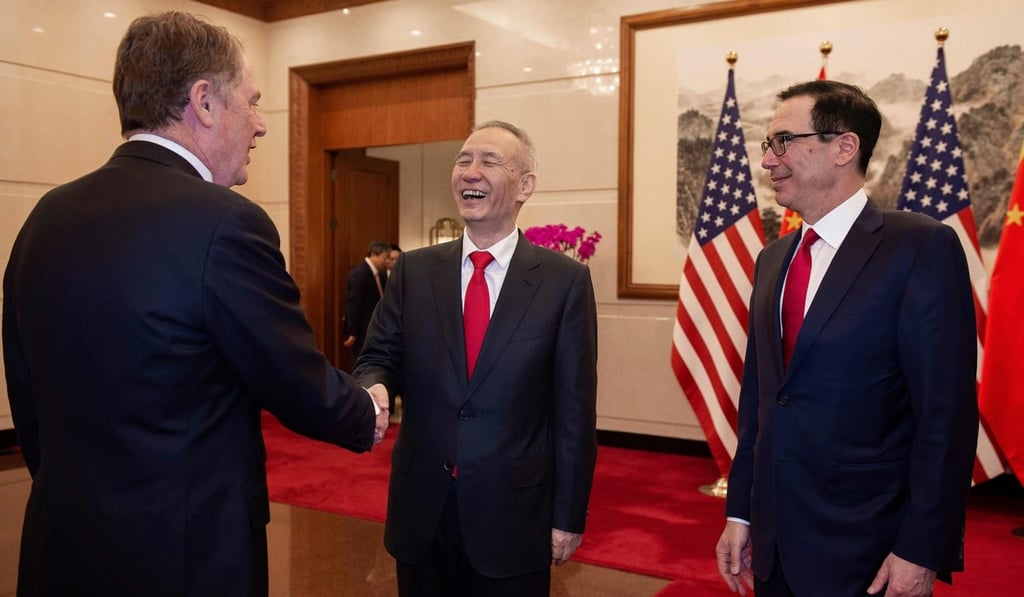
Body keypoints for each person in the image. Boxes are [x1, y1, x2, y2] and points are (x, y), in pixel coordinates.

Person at [2, 12, 388, 597]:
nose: (261, 126)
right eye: (253, 102)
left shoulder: (44, 218)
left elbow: (28, 397)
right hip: (184, 559)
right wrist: (367, 408)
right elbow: (294, 380)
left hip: (61, 548)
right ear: (204, 102)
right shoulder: (227, 224)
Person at [716, 80, 978, 597]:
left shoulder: (919, 246)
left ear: (844, 147)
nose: (769, 160)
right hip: (774, 545)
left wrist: (922, 547)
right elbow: (761, 404)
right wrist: (741, 513)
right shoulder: (773, 260)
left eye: (783, 141)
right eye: (768, 145)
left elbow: (944, 417)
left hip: (868, 546)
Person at [354, 120, 598, 596]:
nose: (470, 172)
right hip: (423, 511)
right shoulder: (416, 271)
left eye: (489, 161)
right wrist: (375, 383)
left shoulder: (562, 282)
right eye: (463, 160)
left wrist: (567, 515)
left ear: (525, 185)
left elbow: (574, 412)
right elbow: (377, 355)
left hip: (514, 518)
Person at [342, 239, 390, 361]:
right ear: (374, 255)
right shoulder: (360, 273)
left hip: (377, 329)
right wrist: (352, 332)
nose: (387, 262)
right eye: (386, 257)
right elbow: (354, 304)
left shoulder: (382, 274)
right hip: (363, 329)